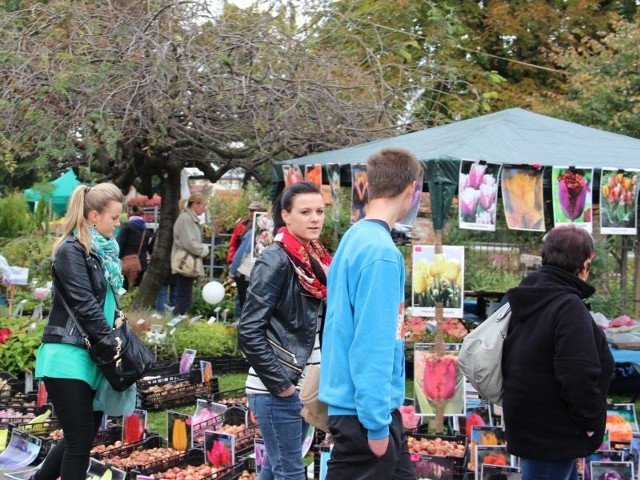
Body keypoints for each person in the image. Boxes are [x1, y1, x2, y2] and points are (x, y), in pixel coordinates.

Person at [319, 148, 421, 480]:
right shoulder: (381, 253)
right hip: (363, 415)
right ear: (411, 191)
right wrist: (376, 423)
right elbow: (373, 343)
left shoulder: (355, 237)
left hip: (358, 408)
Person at [502, 224, 614, 480]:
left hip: (533, 425)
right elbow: (578, 372)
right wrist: (590, 421)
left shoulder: (532, 295)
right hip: (553, 435)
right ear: (584, 263)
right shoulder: (567, 306)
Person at [238, 181, 331, 480]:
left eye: (319, 211)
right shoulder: (275, 259)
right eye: (305, 212)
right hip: (278, 386)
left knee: (276, 466)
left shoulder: (316, 258)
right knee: (290, 470)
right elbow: (249, 331)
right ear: (286, 215)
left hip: (304, 383)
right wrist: (282, 387)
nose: (315, 218)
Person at [33, 183, 126, 480]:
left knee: (80, 436)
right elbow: (84, 304)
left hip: (94, 355)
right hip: (68, 355)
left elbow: (103, 302)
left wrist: (117, 324)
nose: (118, 223)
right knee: (80, 439)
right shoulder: (71, 250)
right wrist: (112, 341)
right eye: (114, 217)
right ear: (94, 216)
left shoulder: (103, 253)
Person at [171, 193, 209, 316]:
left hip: (187, 262)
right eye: (203, 205)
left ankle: (176, 324)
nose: (204, 209)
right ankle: (174, 325)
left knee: (184, 297)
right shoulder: (186, 219)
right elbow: (190, 243)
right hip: (186, 262)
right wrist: (203, 250)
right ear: (195, 204)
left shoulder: (187, 218)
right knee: (184, 299)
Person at [117, 204, 151, 289]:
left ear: (130, 215)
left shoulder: (127, 226)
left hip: (126, 265)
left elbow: (119, 245)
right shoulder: (145, 230)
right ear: (142, 216)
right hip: (141, 265)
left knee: (123, 290)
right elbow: (146, 248)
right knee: (135, 290)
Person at [226, 200, 266, 265]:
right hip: (240, 259)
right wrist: (231, 260)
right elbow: (233, 244)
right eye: (250, 211)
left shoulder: (266, 226)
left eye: (254, 211)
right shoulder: (241, 225)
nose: (251, 213)